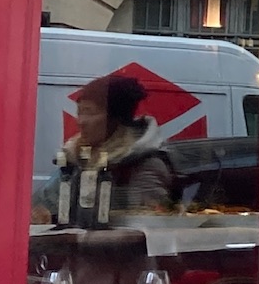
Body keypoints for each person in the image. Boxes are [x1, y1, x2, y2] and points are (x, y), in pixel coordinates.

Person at [60, 73, 175, 214]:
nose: (81, 122)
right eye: (80, 112)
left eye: (90, 113)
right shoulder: (73, 156)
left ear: (116, 119)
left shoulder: (145, 164)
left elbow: (144, 219)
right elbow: (48, 204)